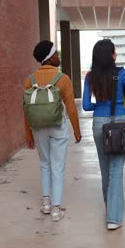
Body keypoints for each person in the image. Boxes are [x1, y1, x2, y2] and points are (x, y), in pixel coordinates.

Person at [82, 38, 125, 230]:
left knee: (105, 169)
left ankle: (110, 208)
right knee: (116, 169)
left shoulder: (90, 76)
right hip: (119, 124)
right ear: (111, 55)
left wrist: (98, 105)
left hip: (99, 123)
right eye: (114, 51)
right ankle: (114, 218)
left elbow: (85, 105)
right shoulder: (121, 73)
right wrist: (120, 104)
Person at [24, 40, 82, 221]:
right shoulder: (62, 79)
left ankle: (46, 203)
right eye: (56, 53)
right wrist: (77, 131)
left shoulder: (30, 80)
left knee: (44, 164)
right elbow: (71, 107)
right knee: (57, 167)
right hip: (57, 126)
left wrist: (28, 134)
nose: (58, 56)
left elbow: (25, 109)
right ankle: (56, 209)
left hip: (38, 128)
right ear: (50, 57)